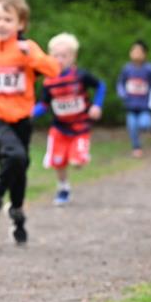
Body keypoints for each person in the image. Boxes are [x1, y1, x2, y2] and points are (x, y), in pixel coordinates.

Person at [0, 0, 60, 244]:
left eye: (7, 19)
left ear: (20, 22)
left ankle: (18, 215)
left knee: (19, 167)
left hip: (21, 117)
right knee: (15, 156)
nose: (1, 24)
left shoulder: (27, 48)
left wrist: (31, 56)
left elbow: (53, 70)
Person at [33, 33, 105, 206]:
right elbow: (44, 105)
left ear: (73, 57)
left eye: (64, 56)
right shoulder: (49, 81)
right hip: (59, 128)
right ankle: (63, 188)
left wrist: (97, 105)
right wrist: (28, 113)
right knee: (58, 162)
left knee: (76, 162)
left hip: (80, 127)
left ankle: (80, 157)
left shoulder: (80, 75)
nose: (59, 59)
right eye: (55, 56)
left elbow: (101, 85)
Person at [116, 40, 151, 157]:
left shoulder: (148, 69)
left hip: (144, 106)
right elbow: (120, 83)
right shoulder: (127, 69)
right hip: (130, 106)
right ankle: (136, 148)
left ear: (144, 54)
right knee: (132, 127)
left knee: (144, 124)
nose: (136, 54)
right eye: (134, 51)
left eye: (139, 51)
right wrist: (122, 93)